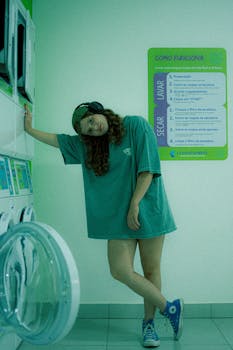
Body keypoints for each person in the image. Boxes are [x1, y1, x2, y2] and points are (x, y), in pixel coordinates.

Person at [24, 101, 184, 348]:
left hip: (149, 208)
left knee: (151, 271)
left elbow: (148, 169)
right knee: (120, 270)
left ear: (98, 111)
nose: (93, 128)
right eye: (86, 130)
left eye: (90, 121)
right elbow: (60, 141)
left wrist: (135, 203)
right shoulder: (91, 147)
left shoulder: (135, 125)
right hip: (118, 219)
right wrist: (29, 130)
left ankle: (149, 325)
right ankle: (170, 308)